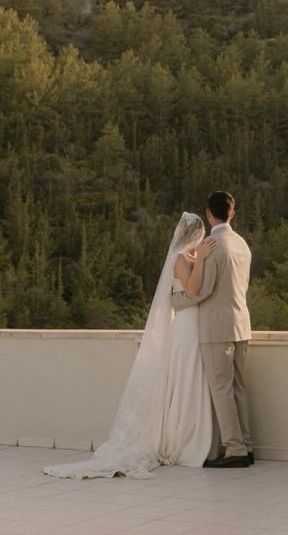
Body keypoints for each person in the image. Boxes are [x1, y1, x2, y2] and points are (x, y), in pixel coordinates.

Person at [44, 213, 216, 479]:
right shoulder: (181, 259)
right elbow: (192, 291)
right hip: (185, 326)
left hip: (196, 323)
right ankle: (184, 440)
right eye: (201, 235)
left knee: (192, 378)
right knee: (186, 377)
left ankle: (194, 435)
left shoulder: (191, 258)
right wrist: (202, 259)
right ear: (195, 235)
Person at [171, 190, 253, 468]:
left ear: (209, 213)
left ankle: (235, 449)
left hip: (217, 328)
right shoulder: (241, 243)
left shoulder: (213, 245)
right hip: (242, 323)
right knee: (239, 388)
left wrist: (175, 300)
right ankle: (247, 445)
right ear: (233, 212)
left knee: (221, 388)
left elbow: (200, 291)